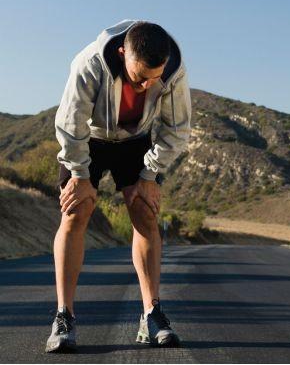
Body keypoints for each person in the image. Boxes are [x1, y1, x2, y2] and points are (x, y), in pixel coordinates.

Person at [45, 19, 192, 353]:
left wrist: (150, 176)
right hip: (89, 138)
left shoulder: (173, 69)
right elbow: (70, 124)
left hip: (135, 139)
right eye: (139, 78)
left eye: (153, 79)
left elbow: (176, 130)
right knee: (75, 212)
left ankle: (152, 314)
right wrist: (80, 177)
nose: (145, 88)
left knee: (145, 212)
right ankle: (63, 316)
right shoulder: (89, 63)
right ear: (123, 52)